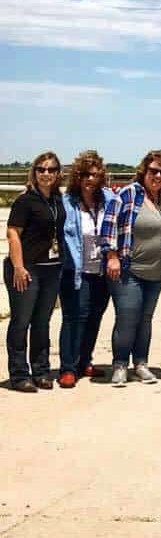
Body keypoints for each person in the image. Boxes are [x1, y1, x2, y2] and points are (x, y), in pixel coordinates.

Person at [101, 150, 161, 388]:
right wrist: (112, 256)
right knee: (127, 317)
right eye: (153, 171)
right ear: (144, 172)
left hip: (156, 273)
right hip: (128, 270)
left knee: (145, 319)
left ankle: (141, 363)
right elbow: (109, 225)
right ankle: (119, 365)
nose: (157, 175)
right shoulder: (128, 194)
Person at [4, 151, 65, 392]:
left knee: (42, 322)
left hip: (51, 269)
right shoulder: (25, 200)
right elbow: (13, 234)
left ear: (58, 173)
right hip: (26, 269)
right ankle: (19, 374)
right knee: (21, 322)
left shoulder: (58, 200)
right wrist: (18, 267)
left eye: (51, 169)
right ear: (34, 172)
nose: (46, 174)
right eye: (41, 169)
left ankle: (41, 371)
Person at [59, 150, 117, 387]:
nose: (89, 179)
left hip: (101, 270)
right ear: (77, 176)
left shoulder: (109, 200)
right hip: (75, 270)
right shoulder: (67, 201)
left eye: (94, 174)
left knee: (94, 317)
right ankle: (68, 368)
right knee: (74, 318)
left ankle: (85, 361)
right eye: (84, 174)